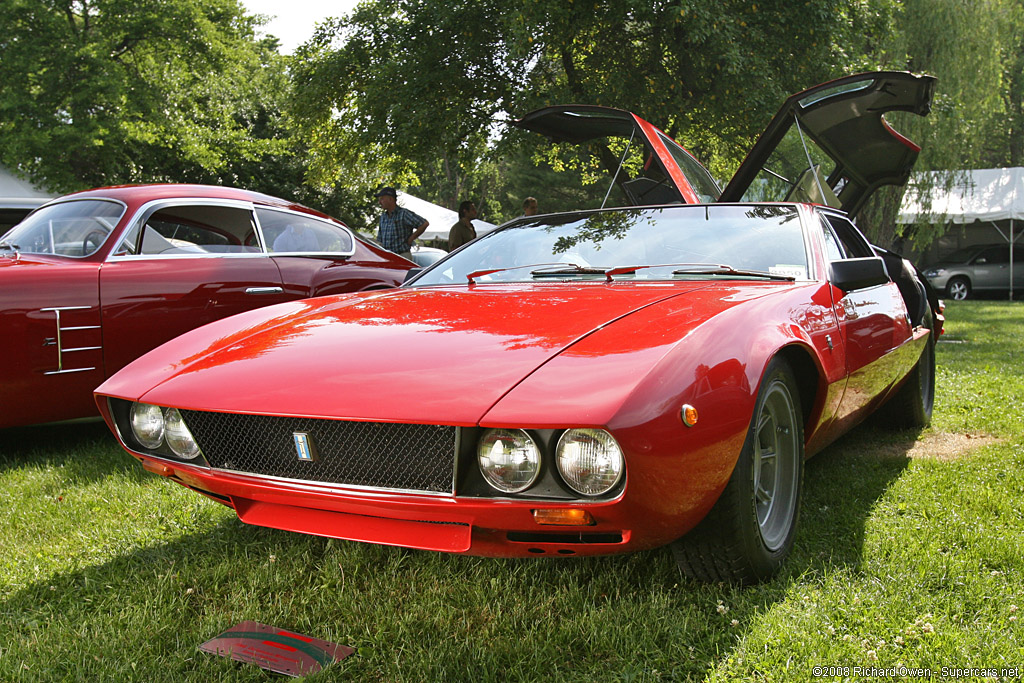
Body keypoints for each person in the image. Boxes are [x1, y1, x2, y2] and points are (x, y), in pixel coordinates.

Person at [376, 187, 428, 259]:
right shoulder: (383, 217)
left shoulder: (403, 214)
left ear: (390, 199)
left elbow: (424, 223)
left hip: (402, 255)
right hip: (387, 257)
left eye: (382, 199)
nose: (379, 202)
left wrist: (411, 239)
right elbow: (379, 239)